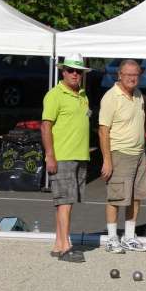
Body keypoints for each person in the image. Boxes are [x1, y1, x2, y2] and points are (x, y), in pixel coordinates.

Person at [41, 53, 91, 262]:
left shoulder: (82, 95)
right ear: (63, 71)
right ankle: (65, 246)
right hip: (63, 155)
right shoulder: (55, 94)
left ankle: (57, 243)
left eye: (78, 71)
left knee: (65, 202)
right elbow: (46, 126)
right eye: (71, 70)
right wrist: (50, 155)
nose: (75, 74)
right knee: (65, 202)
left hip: (79, 155)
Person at [99, 59, 146, 253]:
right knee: (116, 197)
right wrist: (107, 159)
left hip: (139, 154)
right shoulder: (111, 97)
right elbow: (103, 130)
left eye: (135, 74)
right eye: (128, 74)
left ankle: (129, 237)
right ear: (119, 75)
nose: (131, 78)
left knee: (135, 197)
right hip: (119, 153)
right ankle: (112, 238)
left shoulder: (138, 95)